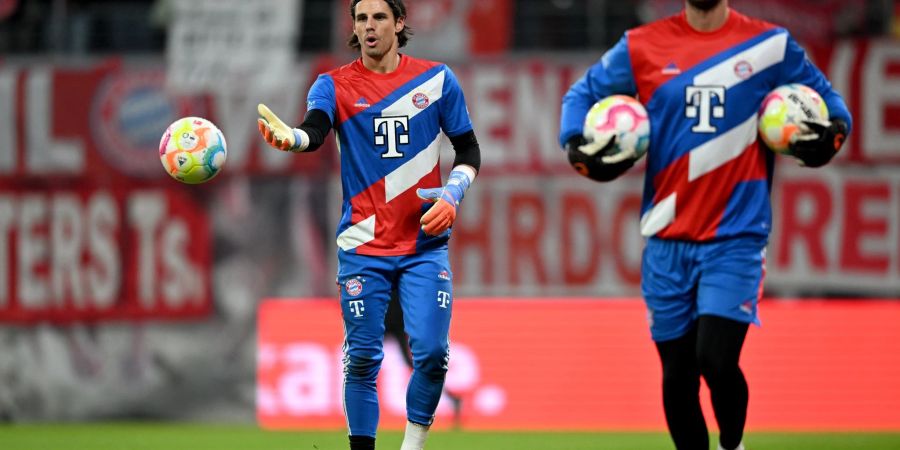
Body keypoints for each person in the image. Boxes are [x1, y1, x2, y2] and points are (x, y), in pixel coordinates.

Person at [559, 1, 851, 450]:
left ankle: (733, 445)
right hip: (667, 238)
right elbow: (580, 96)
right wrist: (577, 143)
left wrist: (832, 133)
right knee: (677, 375)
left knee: (715, 360)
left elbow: (831, 103)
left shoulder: (771, 47)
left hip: (736, 238)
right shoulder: (642, 45)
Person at [256, 1, 480, 449]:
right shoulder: (333, 85)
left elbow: (469, 151)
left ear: (399, 23)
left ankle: (412, 444)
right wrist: (293, 138)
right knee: (361, 360)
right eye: (361, 19)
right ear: (353, 28)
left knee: (433, 356)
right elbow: (315, 130)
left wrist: (452, 194)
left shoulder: (436, 81)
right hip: (363, 245)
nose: (369, 26)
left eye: (379, 17)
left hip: (423, 245)